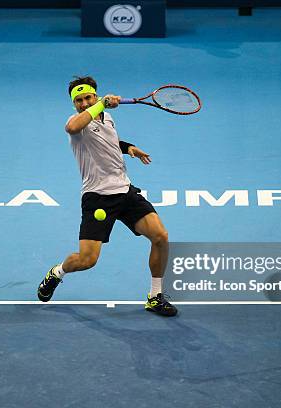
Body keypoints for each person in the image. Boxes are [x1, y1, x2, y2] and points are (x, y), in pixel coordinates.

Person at [37, 76, 177, 317]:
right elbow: (74, 127)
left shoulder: (107, 117)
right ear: (74, 105)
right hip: (98, 198)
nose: (83, 103)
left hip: (125, 191)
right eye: (78, 100)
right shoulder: (76, 122)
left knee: (161, 237)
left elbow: (109, 141)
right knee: (87, 260)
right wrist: (100, 104)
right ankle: (57, 273)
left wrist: (128, 148)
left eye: (87, 98)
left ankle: (155, 297)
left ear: (95, 95)